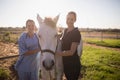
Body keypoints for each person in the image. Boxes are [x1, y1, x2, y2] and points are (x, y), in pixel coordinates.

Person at [57, 11, 81, 80]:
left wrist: (57, 53)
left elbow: (71, 52)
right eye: (68, 19)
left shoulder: (76, 33)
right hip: (65, 64)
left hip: (73, 65)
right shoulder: (65, 30)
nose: (69, 21)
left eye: (72, 19)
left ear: (75, 20)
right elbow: (61, 39)